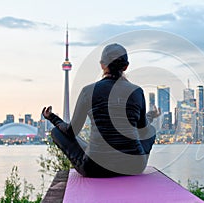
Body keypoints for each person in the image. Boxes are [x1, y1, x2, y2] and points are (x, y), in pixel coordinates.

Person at [42, 43, 160, 177]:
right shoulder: (137, 92)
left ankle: (95, 151)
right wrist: (151, 115)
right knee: (151, 130)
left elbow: (71, 131)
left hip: (96, 168)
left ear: (102, 65)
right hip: (133, 166)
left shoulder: (88, 91)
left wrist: (52, 117)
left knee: (56, 132)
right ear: (126, 66)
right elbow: (143, 129)